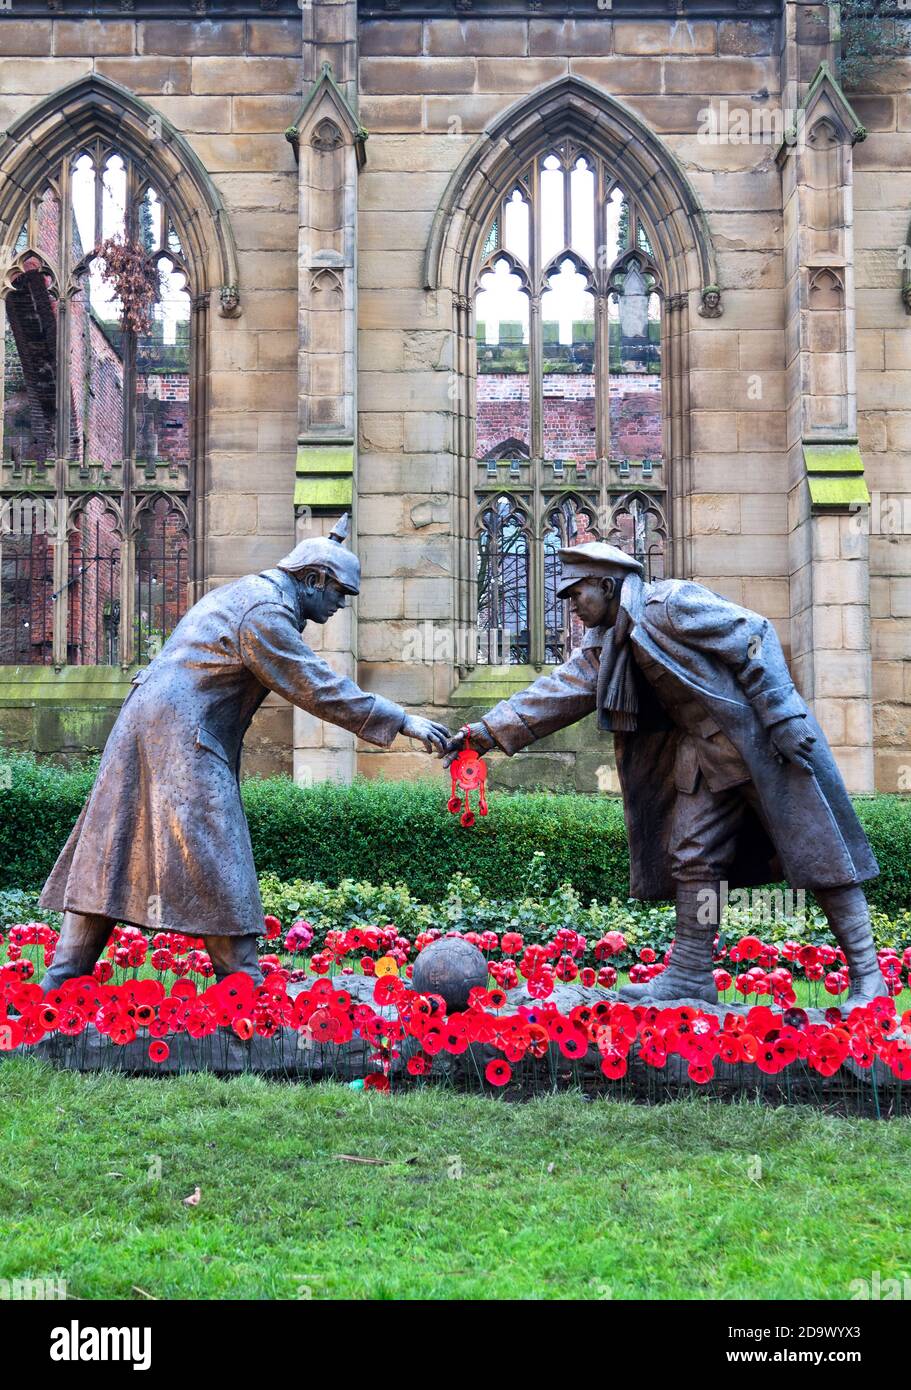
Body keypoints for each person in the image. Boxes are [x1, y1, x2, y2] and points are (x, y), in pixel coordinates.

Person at [442, 542, 886, 1011]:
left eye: (576, 594)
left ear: (606, 585)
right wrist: (485, 732)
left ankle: (869, 978)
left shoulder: (670, 603)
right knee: (693, 856)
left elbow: (753, 633)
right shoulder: (608, 642)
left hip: (761, 744)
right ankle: (692, 975)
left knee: (818, 854)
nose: (571, 606)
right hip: (704, 756)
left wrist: (783, 715)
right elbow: (557, 692)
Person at [39, 517, 449, 990]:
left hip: (147, 730)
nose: (341, 604)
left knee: (111, 849)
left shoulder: (250, 593)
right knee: (218, 853)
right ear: (312, 579)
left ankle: (63, 978)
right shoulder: (264, 612)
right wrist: (403, 720)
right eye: (339, 592)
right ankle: (244, 988)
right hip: (181, 738)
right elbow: (314, 685)